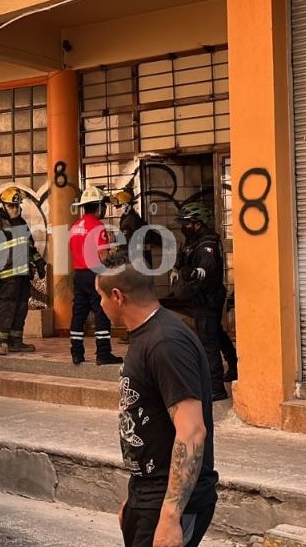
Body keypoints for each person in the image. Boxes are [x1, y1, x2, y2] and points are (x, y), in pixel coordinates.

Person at [97, 257, 218, 547]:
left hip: (170, 503)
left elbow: (191, 431)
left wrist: (169, 517)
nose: (99, 304)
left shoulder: (166, 343)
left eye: (101, 297)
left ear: (117, 297)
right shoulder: (147, 336)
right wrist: (135, 497)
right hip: (149, 494)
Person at [171, 202, 237, 402]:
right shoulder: (192, 241)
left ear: (198, 223)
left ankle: (215, 388)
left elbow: (203, 272)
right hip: (199, 300)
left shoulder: (207, 244)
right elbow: (182, 260)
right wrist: (176, 270)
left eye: (187, 223)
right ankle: (234, 367)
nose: (184, 226)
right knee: (216, 334)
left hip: (207, 300)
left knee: (208, 343)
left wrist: (185, 274)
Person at [0, 186, 46, 355]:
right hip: (7, 276)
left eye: (17, 206)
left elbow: (30, 246)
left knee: (21, 308)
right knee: (6, 308)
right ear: (3, 206)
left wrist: (39, 263)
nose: (15, 209)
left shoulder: (22, 223)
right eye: (11, 206)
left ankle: (15, 341)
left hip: (23, 276)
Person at [68, 186, 122, 366]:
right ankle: (103, 353)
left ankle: (76, 352)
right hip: (95, 274)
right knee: (102, 312)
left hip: (79, 274)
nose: (105, 210)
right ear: (99, 206)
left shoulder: (75, 227)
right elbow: (103, 256)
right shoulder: (98, 226)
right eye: (104, 206)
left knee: (79, 313)